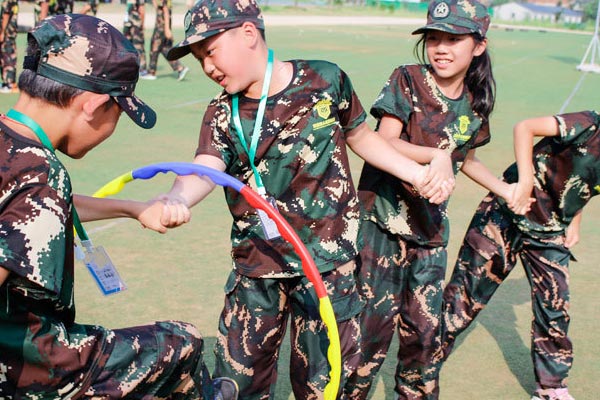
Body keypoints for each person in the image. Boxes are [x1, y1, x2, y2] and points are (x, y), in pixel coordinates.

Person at [158, 0, 446, 397]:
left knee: (323, 385)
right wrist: (178, 197)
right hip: (257, 268)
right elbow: (205, 166)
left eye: (210, 51)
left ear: (248, 34)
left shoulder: (326, 80)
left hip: (328, 269)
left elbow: (362, 137)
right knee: (237, 385)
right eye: (198, 58)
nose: (207, 67)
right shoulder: (221, 113)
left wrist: (416, 173)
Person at [0, 14, 237, 399]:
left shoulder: (15, 150)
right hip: (28, 367)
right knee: (182, 343)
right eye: (119, 113)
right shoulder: (41, 176)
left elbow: (29, 208)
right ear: (94, 105)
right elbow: (35, 200)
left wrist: (132, 208)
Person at [344, 0, 511, 398]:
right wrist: (435, 155)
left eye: (453, 39)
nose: (441, 48)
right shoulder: (409, 79)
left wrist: (505, 190)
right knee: (369, 331)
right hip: (381, 226)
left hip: (430, 232)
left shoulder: (476, 101)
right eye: (434, 38)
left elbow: (465, 157)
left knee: (424, 336)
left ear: (479, 45)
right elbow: (383, 141)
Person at [442, 110, 600, 400]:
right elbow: (525, 127)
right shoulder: (589, 124)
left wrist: (574, 221)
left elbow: (586, 184)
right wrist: (525, 180)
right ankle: (423, 362)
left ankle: (551, 389)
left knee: (554, 307)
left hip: (550, 231)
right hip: (507, 212)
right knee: (464, 297)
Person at [142, 0, 190, 81]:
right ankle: (180, 68)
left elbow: (166, 10)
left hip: (161, 27)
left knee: (154, 48)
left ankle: (151, 72)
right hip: (161, 25)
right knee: (164, 49)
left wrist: (167, 29)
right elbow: (158, 7)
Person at [123, 0, 148, 75]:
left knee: (138, 46)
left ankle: (142, 69)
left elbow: (142, 11)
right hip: (128, 25)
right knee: (127, 46)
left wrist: (142, 25)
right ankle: (128, 67)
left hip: (136, 25)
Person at [0, 0, 18, 93]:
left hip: (8, 31)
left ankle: (9, 83)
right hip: (10, 30)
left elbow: (6, 13)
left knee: (7, 55)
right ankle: (8, 82)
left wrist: (2, 32)